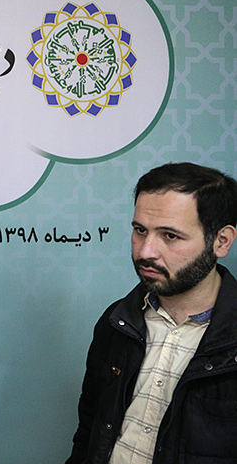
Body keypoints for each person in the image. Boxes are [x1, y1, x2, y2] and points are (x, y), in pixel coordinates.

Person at [65, 162, 237, 464]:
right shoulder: (116, 323)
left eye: (170, 236)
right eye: (140, 230)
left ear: (221, 241)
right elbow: (89, 432)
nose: (145, 252)